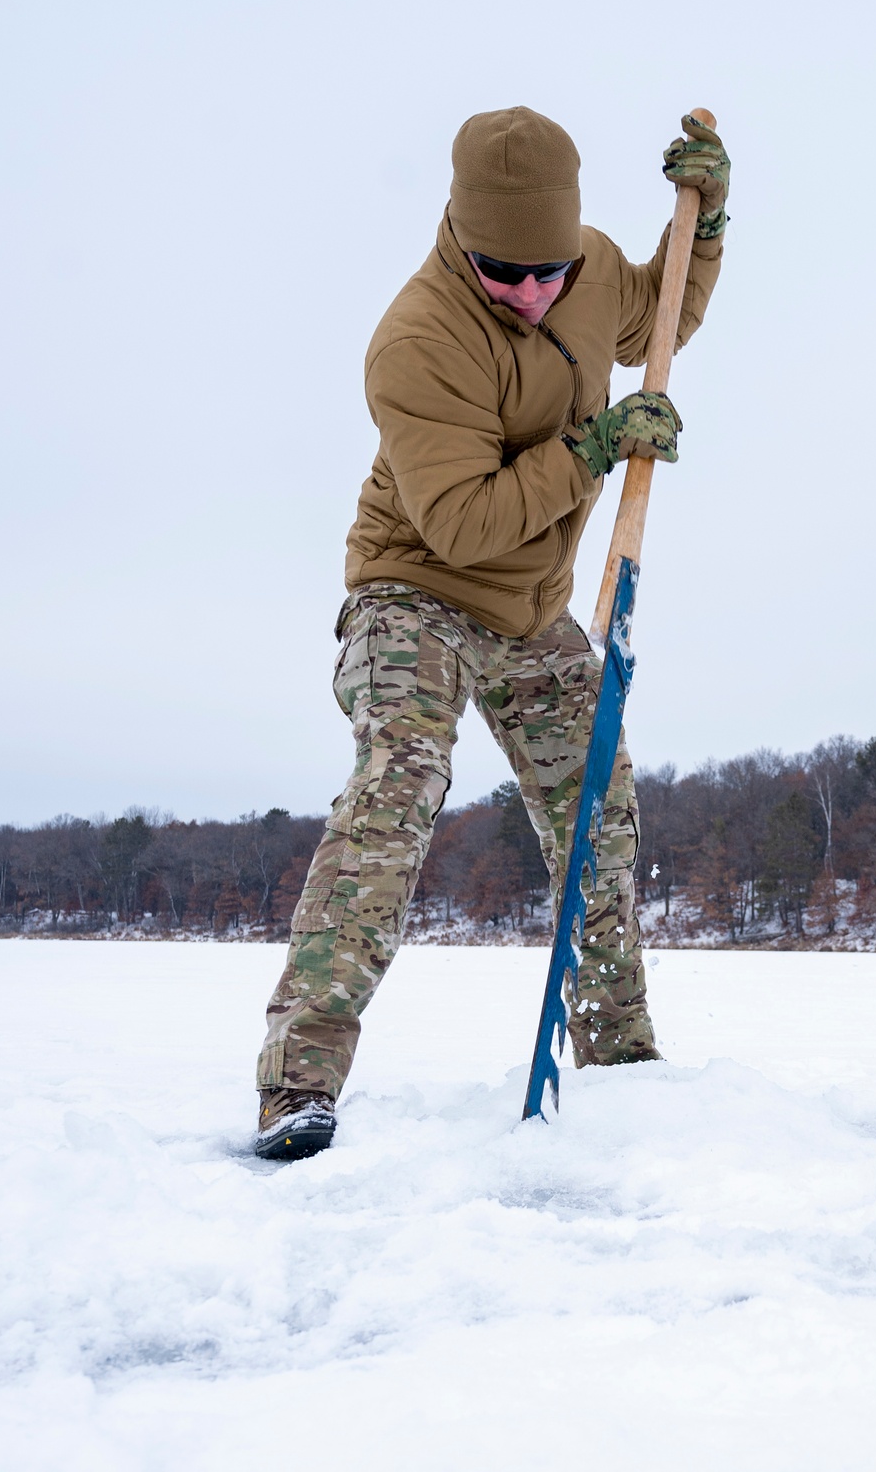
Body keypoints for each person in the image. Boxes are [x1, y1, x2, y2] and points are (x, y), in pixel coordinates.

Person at [255, 106, 729, 1159]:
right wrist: (594, 444)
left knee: (598, 809)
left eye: (549, 271)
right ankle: (299, 1083)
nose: (531, 292)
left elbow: (655, 321)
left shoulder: (588, 267)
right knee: (400, 781)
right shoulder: (416, 339)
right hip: (414, 587)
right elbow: (462, 524)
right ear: (460, 240)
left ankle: (620, 1060)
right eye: (502, 271)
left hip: (529, 608)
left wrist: (702, 228)